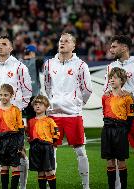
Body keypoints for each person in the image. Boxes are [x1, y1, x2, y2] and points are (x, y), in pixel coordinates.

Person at [104, 35, 134, 189]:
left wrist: (131, 94)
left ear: (124, 47)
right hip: (114, 119)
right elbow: (107, 89)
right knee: (116, 155)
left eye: (114, 47)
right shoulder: (111, 67)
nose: (111, 50)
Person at [43, 33, 92, 189]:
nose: (62, 43)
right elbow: (47, 87)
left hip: (73, 114)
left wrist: (77, 104)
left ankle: (86, 186)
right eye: (60, 41)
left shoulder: (81, 65)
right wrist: (52, 103)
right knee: (51, 151)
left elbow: (87, 90)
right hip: (53, 114)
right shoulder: (49, 64)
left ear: (73, 46)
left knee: (81, 152)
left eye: (66, 41)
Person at [0, 34, 32, 189]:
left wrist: (16, 110)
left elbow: (27, 93)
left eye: (4, 44)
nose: (0, 46)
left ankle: (22, 186)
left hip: (13, 119)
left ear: (11, 47)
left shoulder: (19, 67)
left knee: (20, 152)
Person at [101, 67, 134, 189]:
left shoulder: (127, 97)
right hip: (107, 130)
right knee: (109, 161)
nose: (112, 80)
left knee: (121, 161)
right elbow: (105, 113)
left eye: (115, 77)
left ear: (122, 80)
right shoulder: (105, 97)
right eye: (111, 77)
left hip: (121, 131)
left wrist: (125, 131)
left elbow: (130, 117)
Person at [0, 84, 25, 189]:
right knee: (4, 167)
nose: (3, 97)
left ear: (11, 95)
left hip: (14, 141)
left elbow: (21, 130)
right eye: (1, 95)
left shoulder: (16, 110)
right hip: (1, 142)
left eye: (6, 95)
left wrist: (20, 146)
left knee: (15, 167)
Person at [27, 95, 60, 189]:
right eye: (35, 104)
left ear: (46, 106)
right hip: (35, 148)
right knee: (40, 171)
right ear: (33, 107)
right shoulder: (31, 121)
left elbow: (56, 132)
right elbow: (29, 134)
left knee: (49, 171)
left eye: (41, 104)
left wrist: (50, 143)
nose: (38, 106)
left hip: (46, 147)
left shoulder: (49, 120)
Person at [22, 45, 42, 122]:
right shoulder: (37, 62)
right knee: (36, 115)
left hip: (24, 94)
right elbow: (41, 62)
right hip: (34, 93)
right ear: (32, 52)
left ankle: (30, 132)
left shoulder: (20, 63)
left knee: (28, 116)